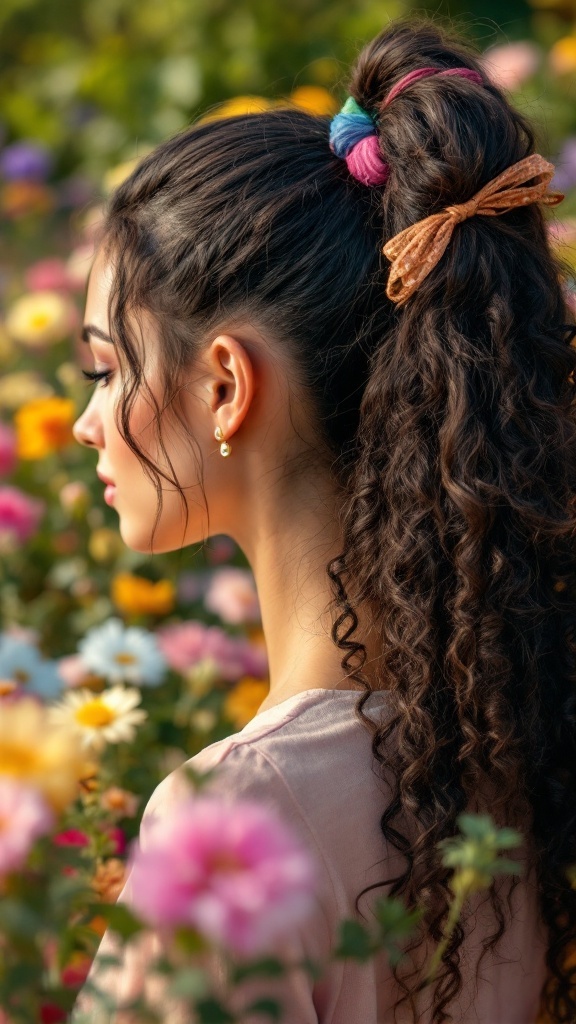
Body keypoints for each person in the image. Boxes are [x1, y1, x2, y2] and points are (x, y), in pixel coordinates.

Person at [70, 15, 576, 1024]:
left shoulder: (236, 825)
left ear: (225, 386)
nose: (87, 424)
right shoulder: (527, 761)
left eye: (107, 367)